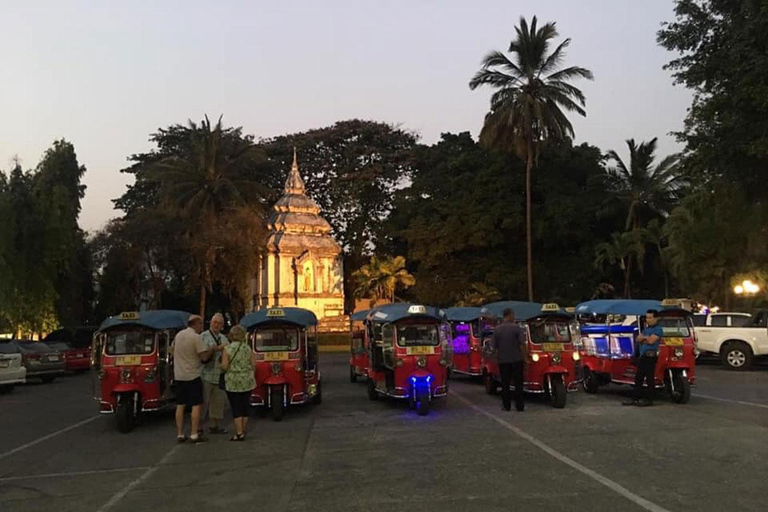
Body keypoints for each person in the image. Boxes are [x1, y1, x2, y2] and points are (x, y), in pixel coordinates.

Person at [171, 315, 214, 443]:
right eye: (201, 324)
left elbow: (172, 350)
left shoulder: (178, 335)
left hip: (179, 375)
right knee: (196, 405)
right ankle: (194, 433)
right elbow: (204, 357)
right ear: (196, 324)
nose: (202, 327)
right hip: (193, 375)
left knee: (180, 405)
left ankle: (180, 433)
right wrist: (212, 349)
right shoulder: (196, 338)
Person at [220, 325, 257, 441]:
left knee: (236, 407)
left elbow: (225, 366)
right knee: (245, 406)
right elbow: (254, 365)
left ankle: (239, 433)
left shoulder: (227, 349)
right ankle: (243, 430)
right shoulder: (247, 348)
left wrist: (220, 366)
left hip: (232, 381)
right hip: (247, 380)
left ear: (231, 336)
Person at [623, 309, 663, 407]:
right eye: (647, 317)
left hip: (650, 356)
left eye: (650, 318)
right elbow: (638, 339)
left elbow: (651, 341)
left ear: (656, 318)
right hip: (643, 356)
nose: (648, 320)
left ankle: (649, 400)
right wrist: (645, 338)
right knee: (638, 378)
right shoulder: (647, 329)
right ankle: (635, 398)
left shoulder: (658, 329)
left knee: (649, 378)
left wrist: (644, 338)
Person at [491, 308, 525, 412]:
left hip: (503, 361)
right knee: (518, 384)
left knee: (505, 384)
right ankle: (519, 406)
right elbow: (522, 344)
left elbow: (494, 347)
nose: (514, 317)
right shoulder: (517, 328)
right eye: (513, 315)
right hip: (516, 360)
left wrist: (496, 359)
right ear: (509, 315)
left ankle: (506, 406)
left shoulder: (497, 330)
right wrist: (524, 357)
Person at [200, 313, 228, 435]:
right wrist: (217, 348)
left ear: (222, 326)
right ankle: (198, 426)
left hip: (219, 375)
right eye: (215, 322)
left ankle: (214, 425)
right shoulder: (203, 336)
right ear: (210, 323)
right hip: (205, 374)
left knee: (217, 402)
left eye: (219, 323)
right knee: (203, 402)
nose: (217, 325)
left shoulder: (224, 338)